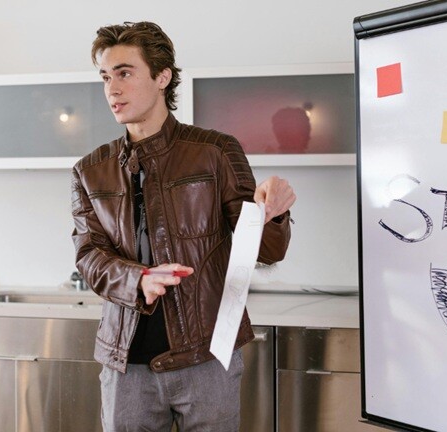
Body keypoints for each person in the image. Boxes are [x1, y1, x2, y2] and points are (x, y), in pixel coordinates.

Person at [70, 21, 295, 431]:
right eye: (105, 76)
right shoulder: (89, 170)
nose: (111, 89)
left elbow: (264, 250)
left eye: (124, 72)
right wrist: (138, 279)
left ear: (162, 76)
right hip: (126, 364)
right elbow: (88, 256)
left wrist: (274, 213)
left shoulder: (215, 151)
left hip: (207, 357)